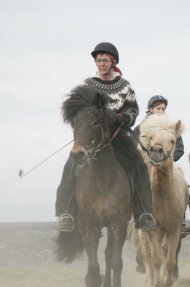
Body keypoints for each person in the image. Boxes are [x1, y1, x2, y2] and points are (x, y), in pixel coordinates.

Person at [55, 42, 156, 232]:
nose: (101, 64)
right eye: (98, 60)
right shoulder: (88, 85)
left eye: (105, 60)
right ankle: (66, 213)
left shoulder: (125, 86)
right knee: (70, 166)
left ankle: (143, 213)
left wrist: (127, 117)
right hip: (92, 135)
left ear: (113, 62)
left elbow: (133, 109)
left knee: (139, 166)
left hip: (117, 135)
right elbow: (79, 110)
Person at [133, 95, 190, 236]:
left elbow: (180, 148)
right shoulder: (141, 127)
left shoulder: (171, 126)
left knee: (180, 169)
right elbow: (133, 146)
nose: (161, 110)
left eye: (163, 108)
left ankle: (180, 219)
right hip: (147, 163)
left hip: (166, 162)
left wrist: (167, 159)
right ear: (151, 109)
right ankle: (138, 215)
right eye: (158, 108)